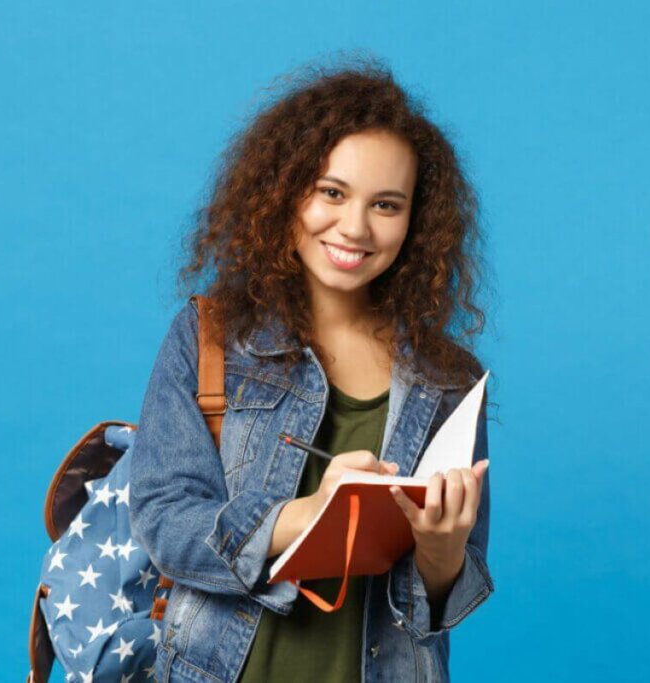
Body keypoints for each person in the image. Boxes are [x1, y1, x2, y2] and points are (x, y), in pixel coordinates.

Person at [129, 59, 494, 683]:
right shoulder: (212, 337)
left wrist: (443, 550)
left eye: (386, 204)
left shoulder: (447, 379)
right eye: (332, 192)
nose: (354, 227)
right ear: (284, 189)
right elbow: (164, 519)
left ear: (417, 222)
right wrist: (309, 514)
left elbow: (443, 601)